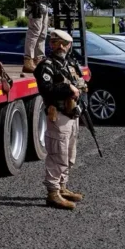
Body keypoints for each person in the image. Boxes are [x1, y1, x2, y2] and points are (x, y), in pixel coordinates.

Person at [34, 28, 88, 210]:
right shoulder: (46, 65)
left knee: (69, 155)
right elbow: (46, 89)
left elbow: (82, 85)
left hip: (73, 114)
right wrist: (68, 89)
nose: (59, 46)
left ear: (69, 45)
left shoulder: (71, 63)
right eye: (55, 43)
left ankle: (62, 186)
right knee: (58, 154)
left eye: (63, 43)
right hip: (58, 115)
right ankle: (53, 192)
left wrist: (82, 100)